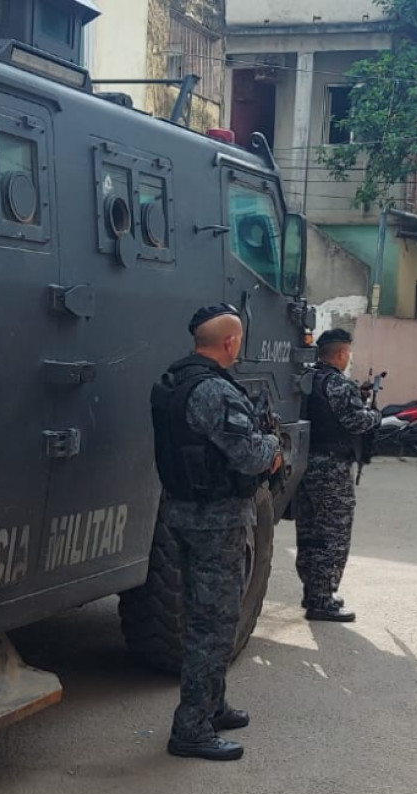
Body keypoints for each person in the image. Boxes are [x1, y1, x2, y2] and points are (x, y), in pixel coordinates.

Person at [149, 303, 282, 761]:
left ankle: (213, 704)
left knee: (206, 615)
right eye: (239, 338)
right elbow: (249, 456)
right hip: (217, 522)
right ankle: (191, 729)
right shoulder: (213, 391)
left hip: (182, 514)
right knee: (215, 625)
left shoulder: (174, 380)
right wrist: (274, 445)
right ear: (230, 342)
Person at [295, 328, 381, 623]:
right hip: (331, 468)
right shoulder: (340, 386)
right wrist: (375, 415)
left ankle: (312, 591)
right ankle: (322, 599)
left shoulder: (308, 380)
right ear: (341, 354)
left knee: (308, 531)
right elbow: (356, 421)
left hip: (304, 464)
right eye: (348, 353)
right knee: (332, 533)